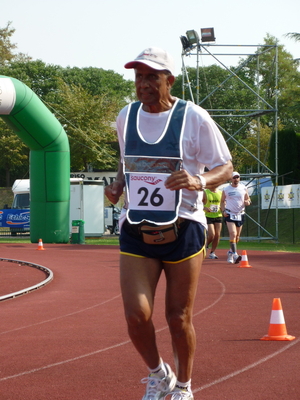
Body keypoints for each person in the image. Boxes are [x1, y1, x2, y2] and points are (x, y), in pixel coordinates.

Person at [105, 46, 232, 400]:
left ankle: (184, 386)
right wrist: (118, 184)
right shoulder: (125, 116)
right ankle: (159, 374)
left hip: (184, 228)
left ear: (169, 80)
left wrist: (199, 181)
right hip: (136, 228)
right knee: (136, 316)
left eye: (151, 77)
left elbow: (225, 167)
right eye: (138, 77)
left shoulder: (194, 117)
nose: (143, 84)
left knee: (178, 317)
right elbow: (126, 161)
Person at [220, 171, 251, 264]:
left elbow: (248, 199)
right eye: (234, 177)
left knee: (237, 236)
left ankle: (230, 252)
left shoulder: (243, 188)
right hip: (230, 214)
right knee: (232, 233)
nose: (236, 179)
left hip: (240, 214)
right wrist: (223, 211)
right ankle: (235, 254)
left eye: (237, 177)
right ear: (231, 179)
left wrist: (247, 202)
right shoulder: (226, 189)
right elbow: (222, 201)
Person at [203, 186, 223, 259]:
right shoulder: (205, 192)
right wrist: (204, 208)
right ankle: (205, 246)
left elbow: (223, 202)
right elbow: (199, 203)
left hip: (218, 215)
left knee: (217, 235)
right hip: (208, 215)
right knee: (212, 234)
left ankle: (212, 252)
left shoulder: (220, 192)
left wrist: (222, 208)